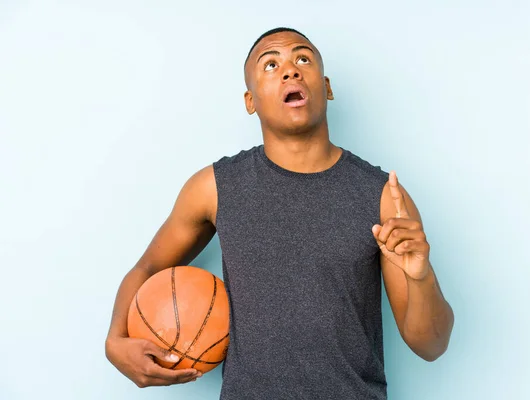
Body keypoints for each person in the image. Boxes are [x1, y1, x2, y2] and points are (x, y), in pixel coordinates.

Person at [105, 27, 454, 399]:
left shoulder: (385, 196)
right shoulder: (213, 188)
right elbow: (146, 269)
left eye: (303, 59)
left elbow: (430, 346)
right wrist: (115, 341)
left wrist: (421, 278)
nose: (290, 69)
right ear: (250, 100)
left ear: (327, 86)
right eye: (271, 64)